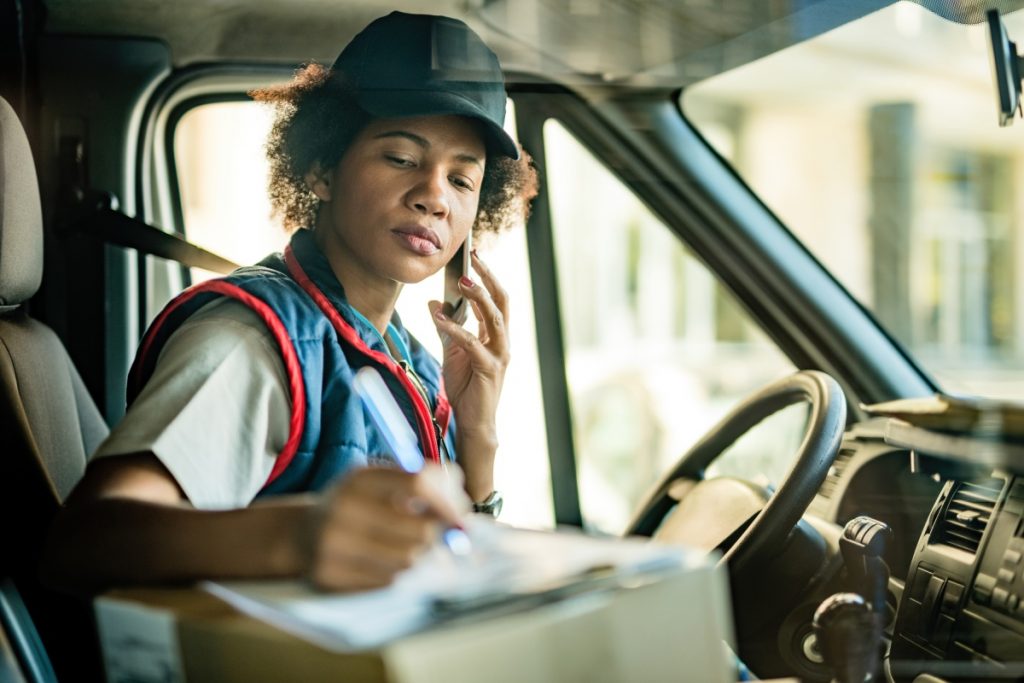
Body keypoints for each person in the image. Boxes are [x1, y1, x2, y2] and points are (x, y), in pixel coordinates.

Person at [41, 11, 538, 595]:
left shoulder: (412, 364)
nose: (434, 196)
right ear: (322, 169)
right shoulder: (250, 342)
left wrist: (478, 439)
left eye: (462, 180)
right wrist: (299, 538)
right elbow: (87, 539)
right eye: (401, 158)